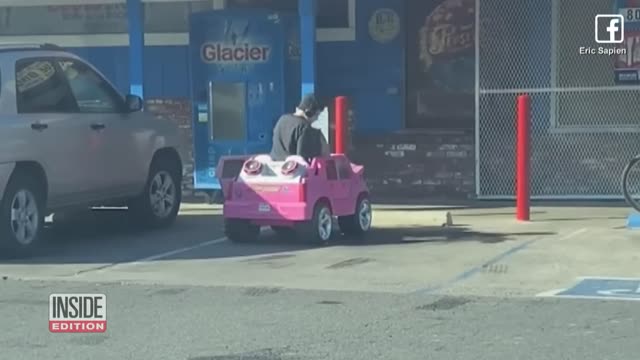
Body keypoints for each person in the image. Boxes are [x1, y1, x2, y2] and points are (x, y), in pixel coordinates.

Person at [270, 93, 325, 162]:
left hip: (275, 168)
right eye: (317, 114)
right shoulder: (304, 127)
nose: (317, 118)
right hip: (294, 170)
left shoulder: (282, 120)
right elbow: (304, 159)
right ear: (309, 112)